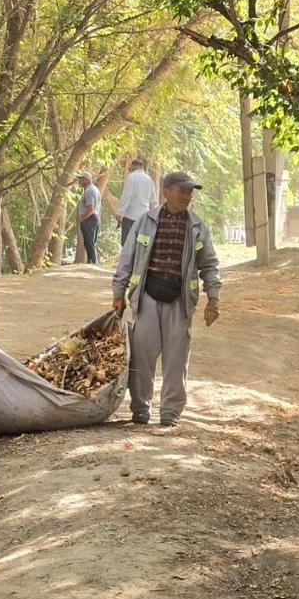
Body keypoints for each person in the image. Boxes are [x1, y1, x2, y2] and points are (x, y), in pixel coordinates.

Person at [111, 171, 221, 427]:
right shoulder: (144, 222)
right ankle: (140, 409)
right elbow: (126, 259)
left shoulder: (197, 228)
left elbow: (210, 266)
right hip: (147, 298)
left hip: (179, 302)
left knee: (176, 360)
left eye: (189, 192)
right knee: (142, 357)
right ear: (166, 192)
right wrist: (118, 293)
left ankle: (170, 412)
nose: (186, 196)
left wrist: (213, 299)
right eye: (181, 190)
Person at [115, 159, 156, 245]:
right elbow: (153, 201)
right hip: (144, 217)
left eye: (130, 167)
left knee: (127, 244)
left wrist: (120, 213)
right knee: (140, 245)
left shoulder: (132, 177)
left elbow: (126, 197)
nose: (130, 169)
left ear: (134, 166)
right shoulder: (149, 179)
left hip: (130, 216)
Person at [74, 171, 102, 264]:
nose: (79, 181)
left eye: (81, 178)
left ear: (86, 179)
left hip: (89, 218)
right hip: (95, 218)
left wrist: (83, 218)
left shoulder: (89, 191)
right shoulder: (95, 189)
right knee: (91, 241)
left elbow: (90, 208)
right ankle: (92, 261)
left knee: (89, 242)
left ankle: (92, 261)